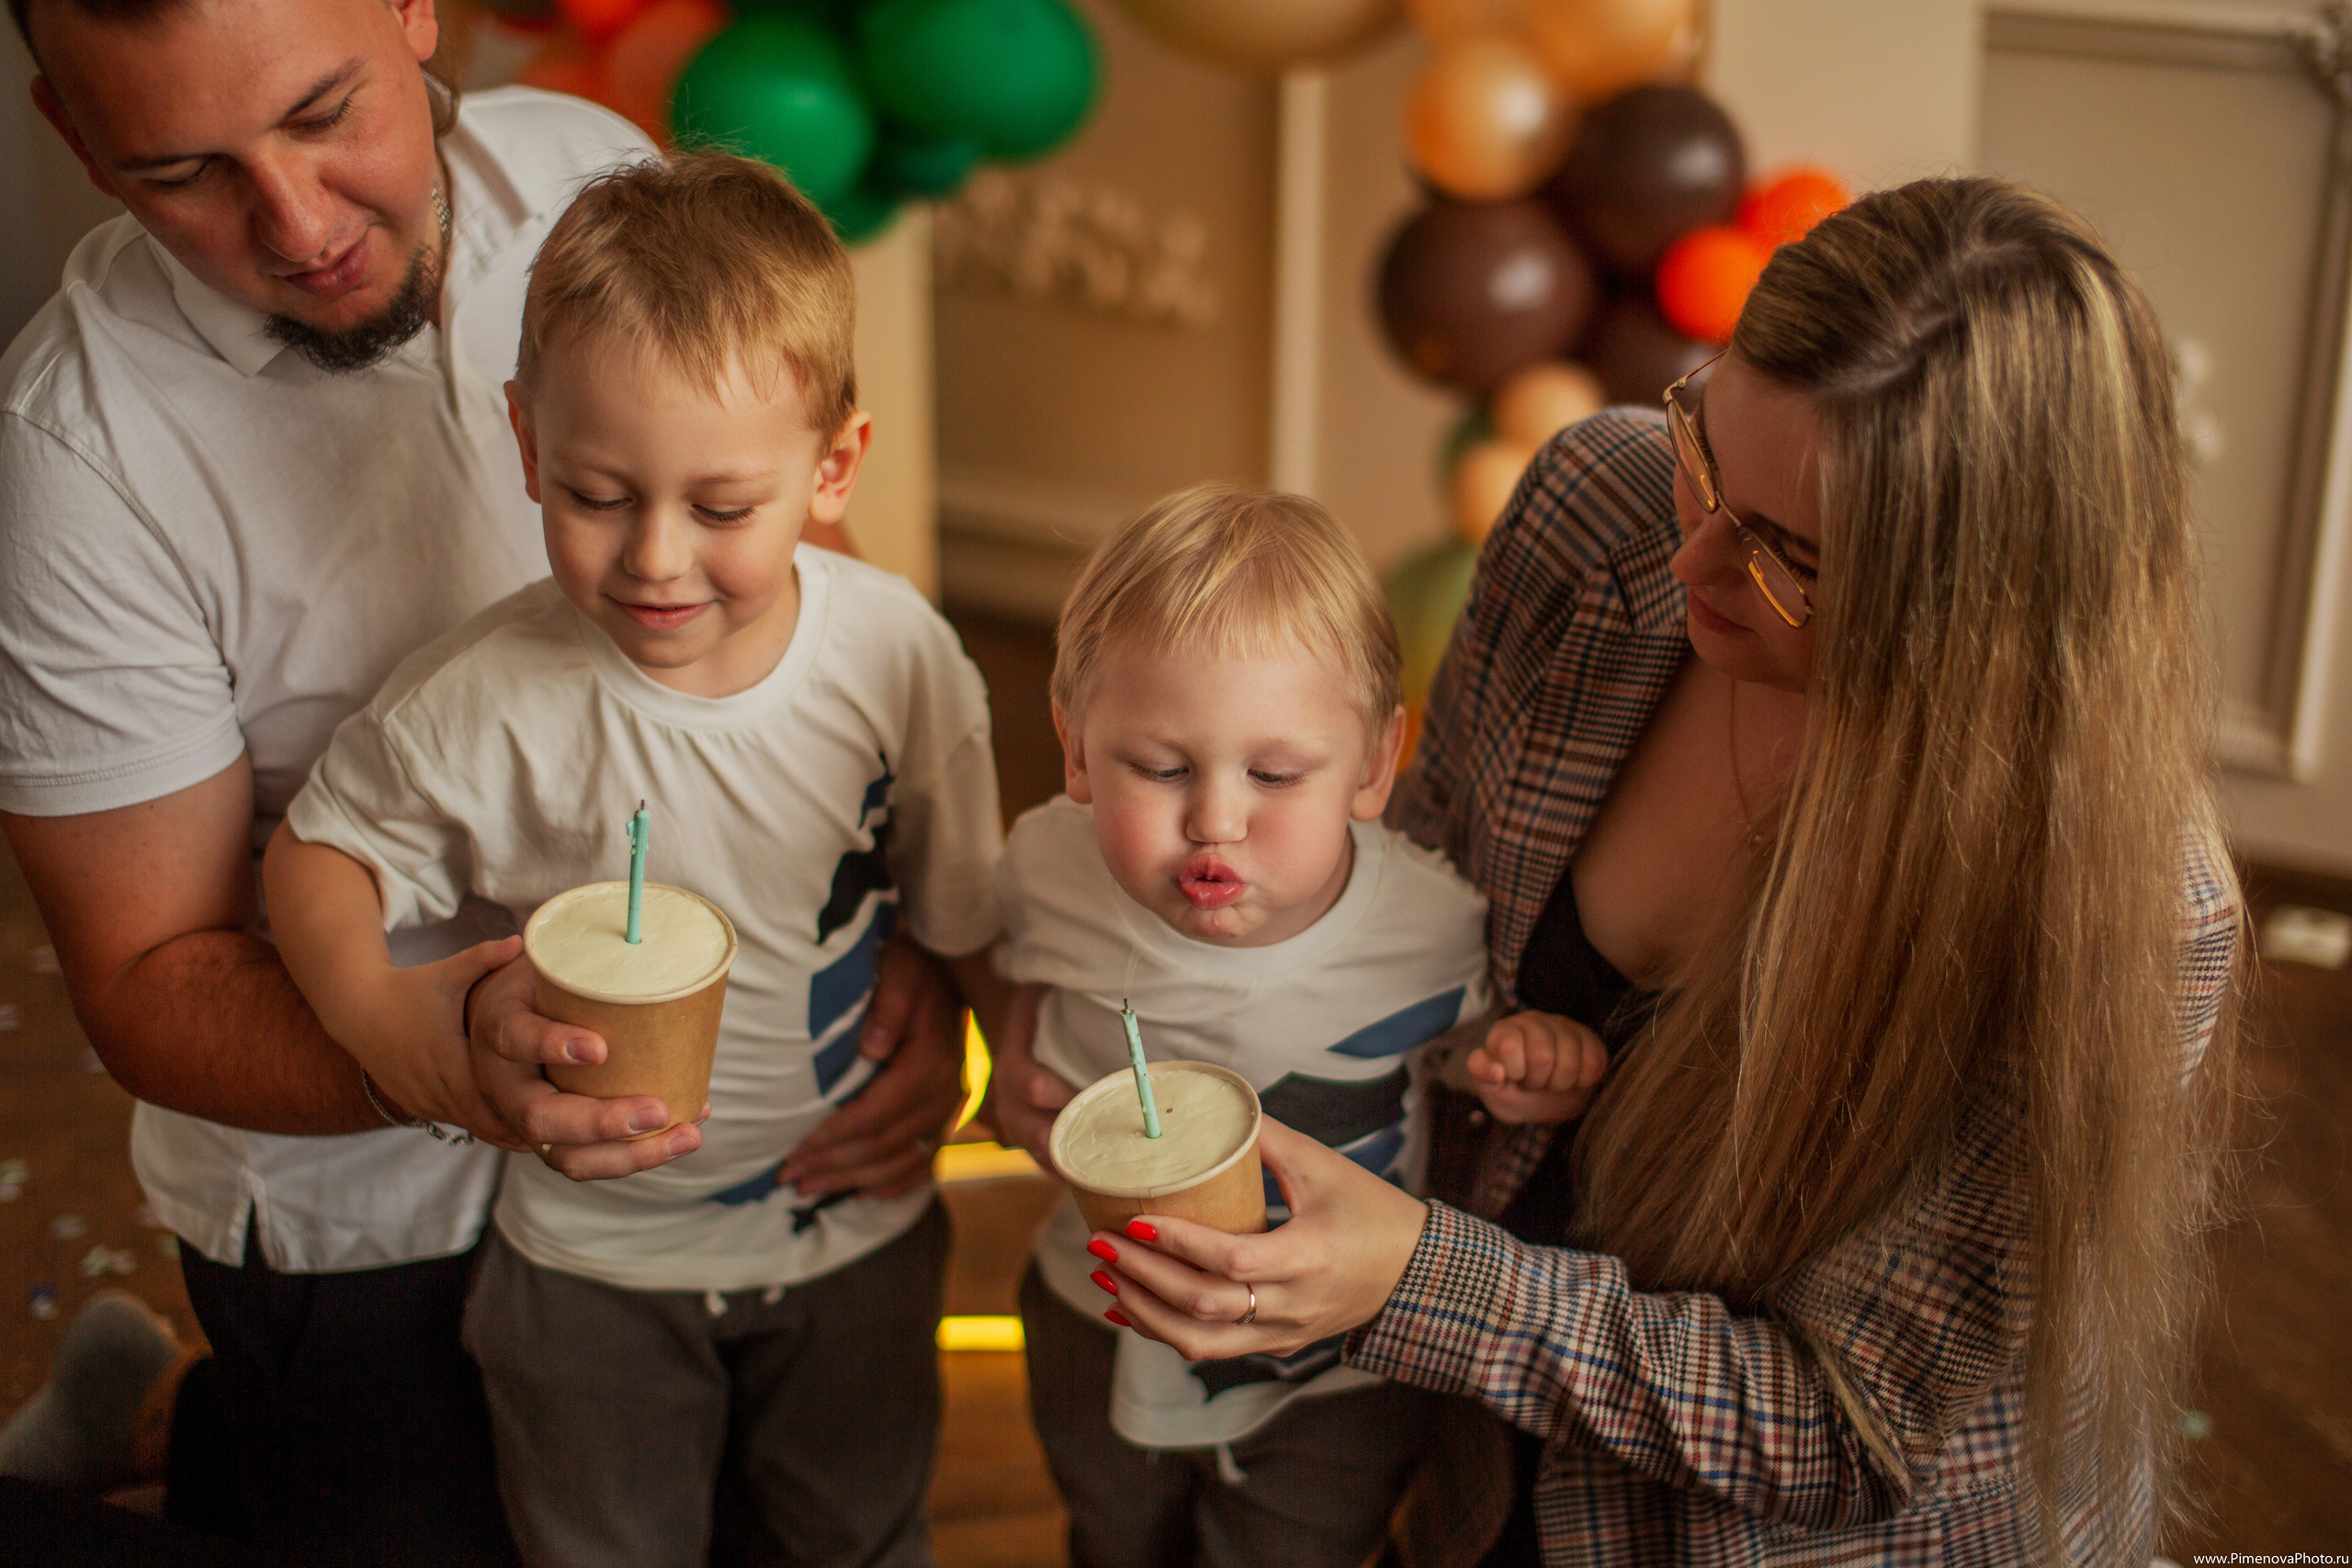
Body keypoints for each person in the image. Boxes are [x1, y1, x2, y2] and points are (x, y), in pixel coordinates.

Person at [999, 177, 2244, 1562]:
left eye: (1789, 558)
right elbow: (1404, 895)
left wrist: (1422, 1281)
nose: (1693, 552)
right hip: (1451, 1458)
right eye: (1706, 449)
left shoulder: (2117, 916)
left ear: (1980, 614)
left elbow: (1847, 1431)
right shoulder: (1599, 507)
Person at [0, 0, 966, 1557]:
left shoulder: (588, 172)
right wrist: (426, 1057)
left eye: (325, 114)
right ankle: (202, 1433)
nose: (298, 224)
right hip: (361, 1208)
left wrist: (900, 950)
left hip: (715, 1160)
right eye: (182, 170)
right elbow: (145, 975)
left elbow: (804, 575)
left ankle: (183, 1414)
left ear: (412, 9)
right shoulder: (71, 451)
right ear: (73, 136)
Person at [265, 152, 1007, 1568]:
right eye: (598, 493)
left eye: (722, 508)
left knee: (862, 1533)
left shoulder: (899, 653)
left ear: (835, 466)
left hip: (855, 1231)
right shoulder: (484, 698)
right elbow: (315, 859)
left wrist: (996, 1035)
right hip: (588, 1266)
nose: (657, 558)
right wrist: (383, 1022)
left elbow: (967, 899)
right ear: (527, 440)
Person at [986, 483, 1601, 1568]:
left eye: (1273, 775)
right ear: (1074, 748)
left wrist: (1518, 1063)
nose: (1215, 818)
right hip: (1098, 1316)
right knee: (1113, 1537)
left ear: (1372, 766)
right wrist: (1014, 1056)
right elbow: (1018, 978)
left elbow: (1458, 1053)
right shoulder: (1044, 864)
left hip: (1334, 1370)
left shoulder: (1426, 924)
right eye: (1160, 768)